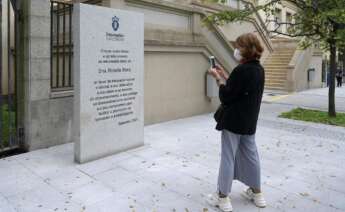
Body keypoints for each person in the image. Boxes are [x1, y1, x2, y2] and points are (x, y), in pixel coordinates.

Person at [207, 33, 266, 212]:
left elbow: (227, 96)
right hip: (249, 121)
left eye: (239, 46)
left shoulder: (241, 70)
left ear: (246, 50)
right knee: (252, 156)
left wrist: (217, 79)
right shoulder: (258, 69)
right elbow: (239, 89)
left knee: (227, 157)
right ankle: (257, 194)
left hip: (233, 121)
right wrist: (225, 75)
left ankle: (223, 198)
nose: (236, 50)